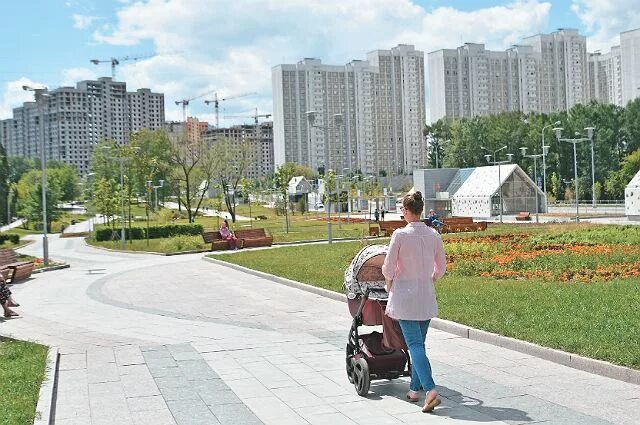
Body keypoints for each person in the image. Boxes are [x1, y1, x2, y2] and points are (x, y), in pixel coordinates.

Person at [381, 191, 446, 413]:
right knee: (419, 345)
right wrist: (430, 279)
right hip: (425, 296)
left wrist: (389, 284)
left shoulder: (400, 235)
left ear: (407, 211)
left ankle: (430, 390)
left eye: (402, 209)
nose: (402, 213)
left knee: (415, 346)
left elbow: (388, 267)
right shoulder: (434, 235)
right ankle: (414, 390)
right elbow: (441, 268)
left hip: (405, 296)